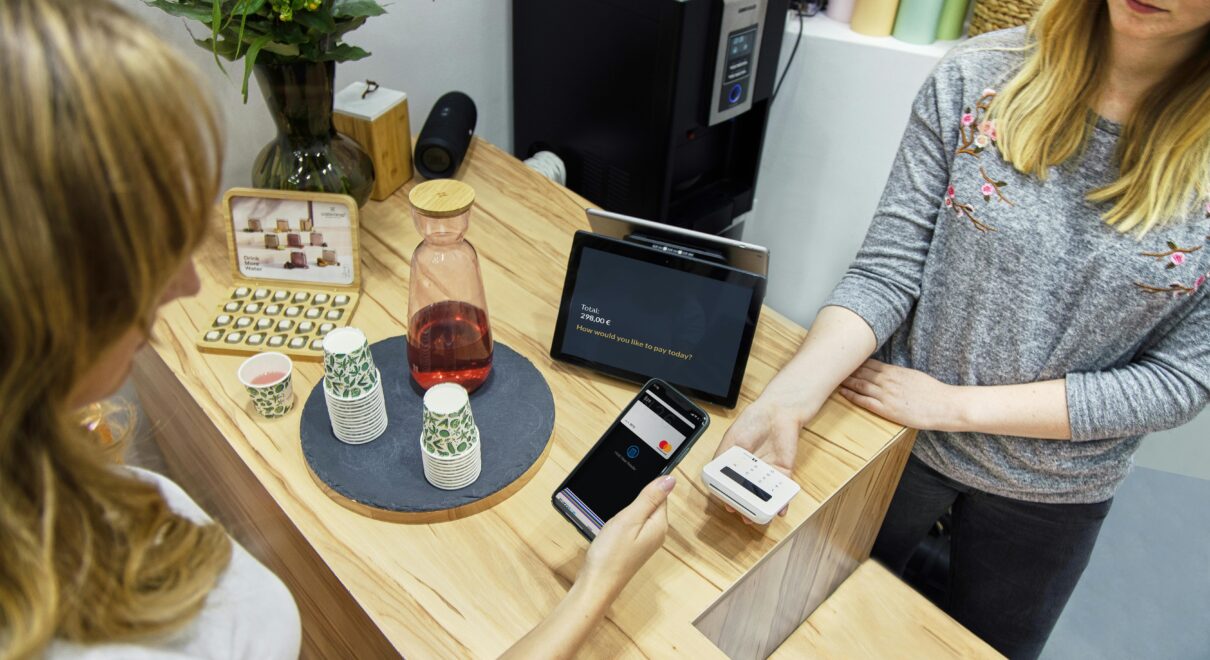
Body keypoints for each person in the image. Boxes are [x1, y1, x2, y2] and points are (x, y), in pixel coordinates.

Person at [0, 1, 673, 658]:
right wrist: (598, 585)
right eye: (152, 248)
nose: (187, 285)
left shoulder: (54, 485)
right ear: (43, 285)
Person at [715, 1, 1210, 657]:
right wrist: (789, 398)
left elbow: (1180, 381)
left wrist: (954, 406)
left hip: (1052, 494)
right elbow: (890, 268)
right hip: (891, 443)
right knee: (798, 632)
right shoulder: (980, 75)